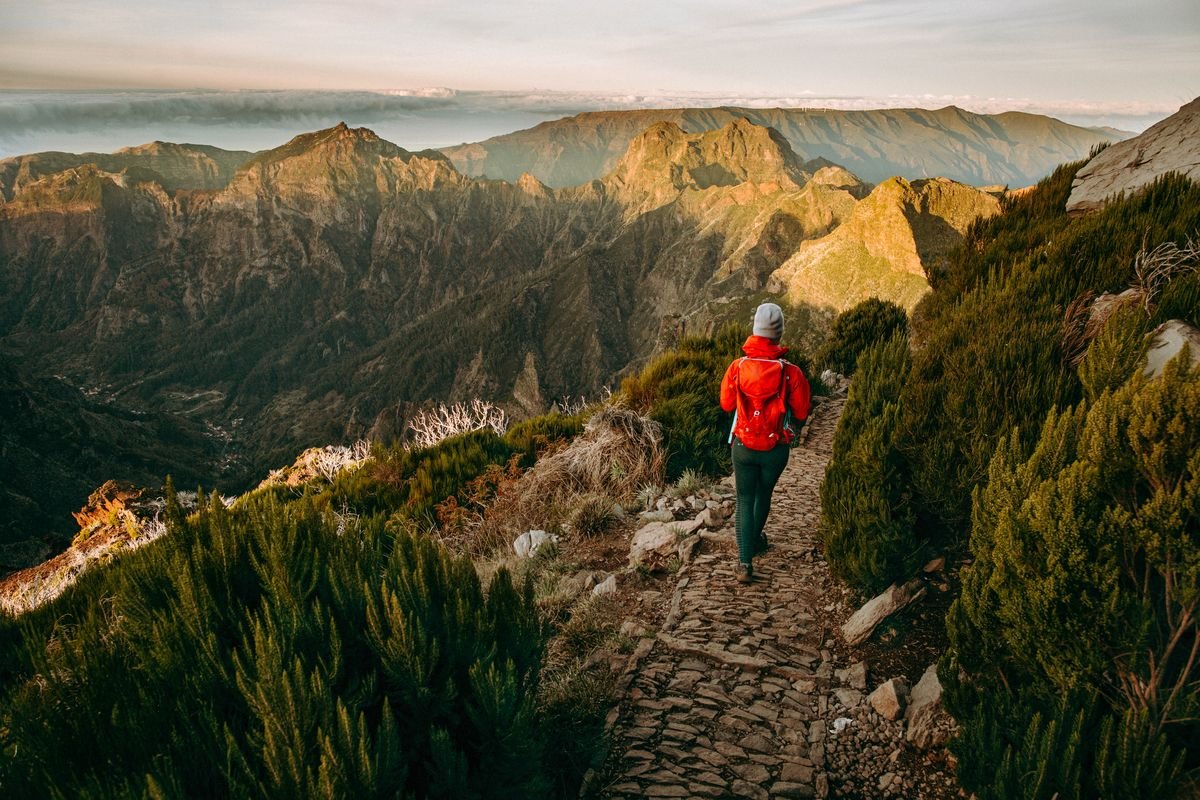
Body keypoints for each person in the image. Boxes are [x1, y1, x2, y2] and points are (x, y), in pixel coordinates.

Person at [719, 303, 811, 583]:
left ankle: (745, 562)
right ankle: (755, 540)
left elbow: (726, 404)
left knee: (745, 499)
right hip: (775, 448)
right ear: (778, 333)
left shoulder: (737, 367)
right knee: (763, 494)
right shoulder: (791, 373)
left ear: (755, 330)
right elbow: (802, 412)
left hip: (743, 446)